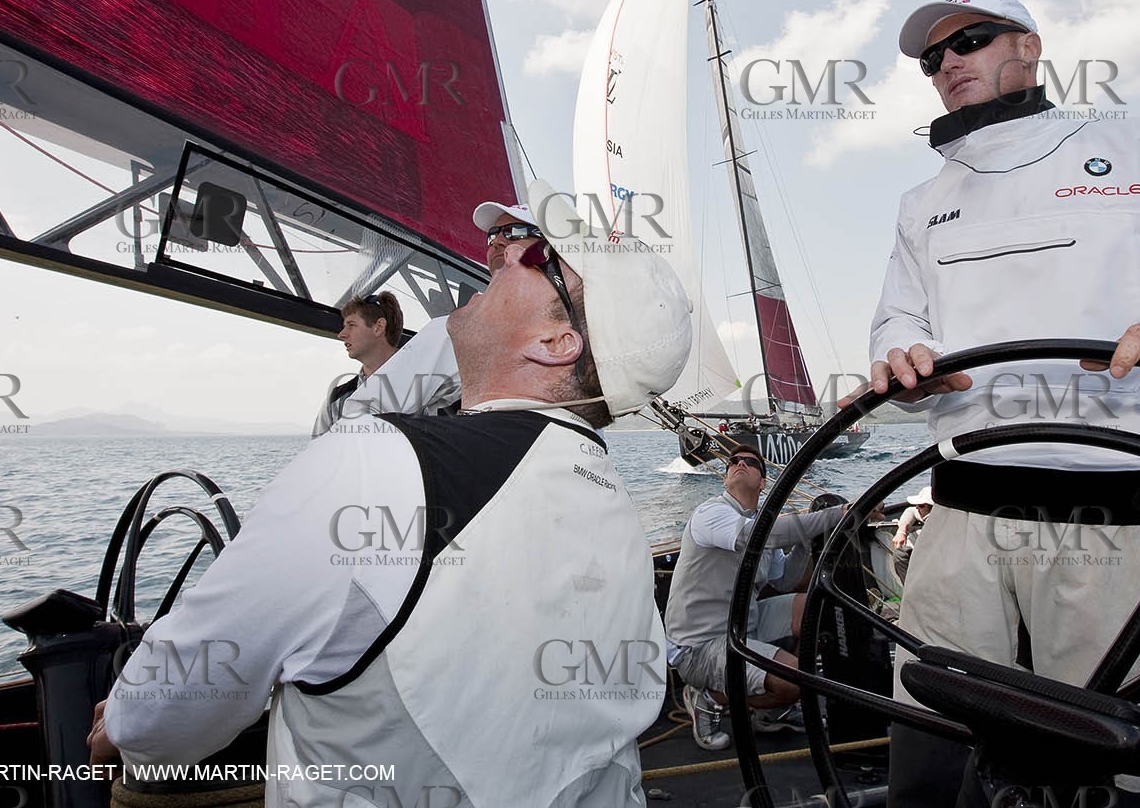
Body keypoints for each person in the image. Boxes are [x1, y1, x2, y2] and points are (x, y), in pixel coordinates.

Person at [91, 180, 694, 808]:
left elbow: (165, 714)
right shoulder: (613, 508)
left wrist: (124, 727)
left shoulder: (377, 465)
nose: (500, 251)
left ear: (556, 343)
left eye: (536, 252)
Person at [856, 0, 1140, 808]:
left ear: (1029, 48)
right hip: (964, 521)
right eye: (931, 59)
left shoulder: (1137, 147)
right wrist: (903, 357)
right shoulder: (920, 203)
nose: (947, 63)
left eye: (969, 40)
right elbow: (898, 319)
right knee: (933, 746)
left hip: (1120, 520)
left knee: (1121, 758)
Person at [663, 445, 850, 750]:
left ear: (763, 482)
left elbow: (786, 579)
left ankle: (772, 711)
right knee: (795, 681)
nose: (738, 463)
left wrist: (804, 540)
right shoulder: (711, 514)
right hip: (700, 645)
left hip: (742, 624)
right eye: (732, 461)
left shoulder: (762, 523)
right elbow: (752, 536)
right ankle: (706, 698)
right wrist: (838, 514)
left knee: (813, 608)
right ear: (725, 479)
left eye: (750, 462)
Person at [331, 200, 540, 428]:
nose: (498, 241)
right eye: (493, 236)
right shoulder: (452, 331)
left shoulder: (579, 327)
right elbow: (362, 413)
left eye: (515, 232)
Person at [310, 291, 403, 436]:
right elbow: (318, 455)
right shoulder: (336, 400)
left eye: (351, 325)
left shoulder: (430, 390)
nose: (341, 334)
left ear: (378, 327)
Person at [890, 486, 933, 583]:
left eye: (921, 505)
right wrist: (901, 531)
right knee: (900, 554)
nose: (917, 507)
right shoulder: (923, 514)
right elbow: (911, 511)